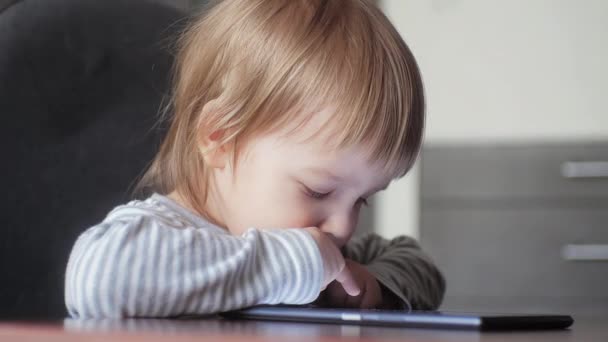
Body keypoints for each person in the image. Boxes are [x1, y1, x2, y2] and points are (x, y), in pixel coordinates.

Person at [64, 0, 445, 318]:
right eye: (317, 190)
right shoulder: (159, 237)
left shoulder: (329, 253)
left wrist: (375, 285)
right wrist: (297, 264)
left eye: (362, 199)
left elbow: (419, 264)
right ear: (220, 137)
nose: (344, 226)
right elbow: (98, 279)